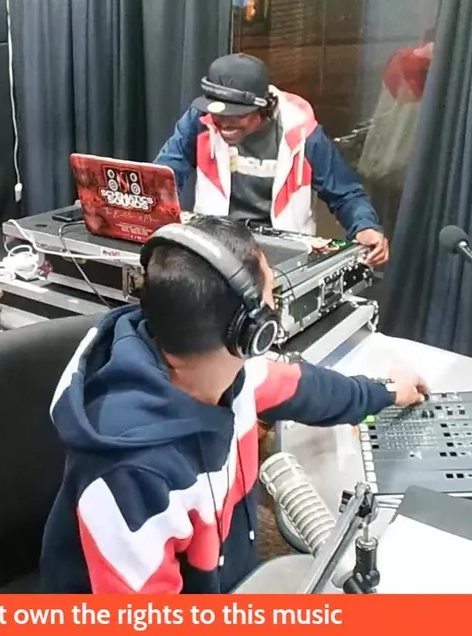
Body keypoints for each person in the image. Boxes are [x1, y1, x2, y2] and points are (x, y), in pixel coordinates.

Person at [39, 217, 426, 594]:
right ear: (251, 332)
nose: (275, 304)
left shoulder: (229, 371)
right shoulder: (130, 476)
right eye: (272, 294)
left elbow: (308, 389)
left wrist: (387, 391)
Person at [155, 53, 391, 266]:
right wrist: (149, 212)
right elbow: (164, 175)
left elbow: (345, 192)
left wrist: (365, 226)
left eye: (237, 115)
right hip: (217, 245)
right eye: (218, 113)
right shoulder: (200, 120)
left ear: (264, 108)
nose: (224, 123)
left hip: (283, 253)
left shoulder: (303, 133)